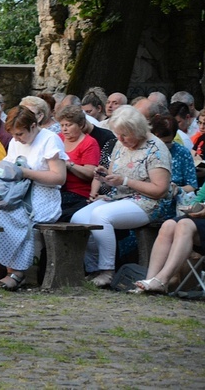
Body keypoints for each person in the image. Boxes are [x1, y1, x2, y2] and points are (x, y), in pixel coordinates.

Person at [70, 106, 171, 287]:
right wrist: (104, 175)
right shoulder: (120, 143)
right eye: (118, 134)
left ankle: (107, 271)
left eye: (125, 135)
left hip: (148, 202)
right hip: (120, 197)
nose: (120, 139)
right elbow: (116, 173)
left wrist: (125, 181)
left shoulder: (156, 149)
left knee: (101, 216)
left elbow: (160, 190)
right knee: (79, 218)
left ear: (138, 131)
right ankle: (93, 268)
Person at [0, 106, 67, 290]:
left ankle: (17, 272)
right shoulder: (15, 142)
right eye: (13, 134)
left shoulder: (50, 140)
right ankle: (0, 266)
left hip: (42, 196)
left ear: (34, 126)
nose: (16, 138)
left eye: (20, 134)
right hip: (17, 194)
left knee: (14, 219)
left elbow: (59, 177)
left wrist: (26, 172)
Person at [134, 174, 205, 293]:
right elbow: (202, 195)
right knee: (168, 225)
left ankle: (162, 280)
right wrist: (194, 206)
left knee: (184, 225)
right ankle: (150, 280)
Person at [56, 105, 100, 221]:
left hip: (78, 193)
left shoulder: (89, 143)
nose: (64, 129)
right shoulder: (57, 138)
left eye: (69, 125)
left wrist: (69, 165)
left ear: (80, 125)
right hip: (57, 189)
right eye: (62, 125)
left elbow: (90, 173)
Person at [150, 114, 197, 220]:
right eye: (160, 142)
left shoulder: (182, 152)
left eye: (167, 142)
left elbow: (192, 186)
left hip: (173, 206)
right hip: (148, 201)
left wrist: (178, 189)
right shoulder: (145, 150)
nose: (162, 146)